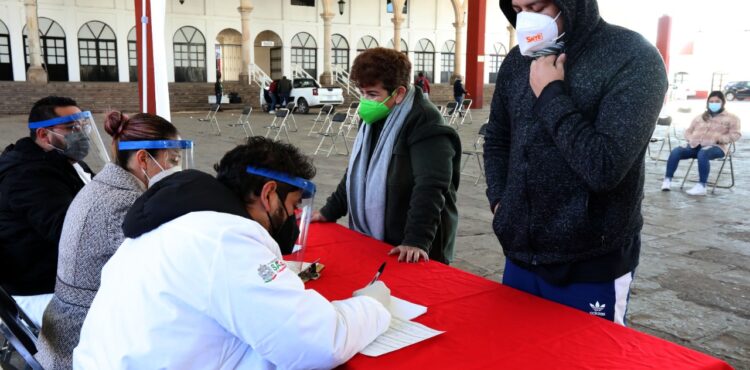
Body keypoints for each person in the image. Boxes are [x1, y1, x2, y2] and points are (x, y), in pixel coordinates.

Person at [73, 137, 391, 369]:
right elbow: (318, 343)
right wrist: (372, 306)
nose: (293, 218)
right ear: (269, 194)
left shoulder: (180, 217)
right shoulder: (226, 239)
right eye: (293, 206)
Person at [484, 0, 668, 325]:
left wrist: (551, 94)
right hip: (520, 254)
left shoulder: (633, 57)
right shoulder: (517, 62)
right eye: (518, 8)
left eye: (537, 6)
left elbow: (604, 166)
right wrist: (500, 202)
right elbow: (498, 138)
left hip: (591, 262)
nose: (526, 19)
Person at [36, 112, 185, 369]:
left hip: (66, 326)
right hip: (82, 341)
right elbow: (159, 277)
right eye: (172, 160)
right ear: (143, 159)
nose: (177, 169)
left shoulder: (107, 185)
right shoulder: (126, 204)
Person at [313, 47, 461, 264]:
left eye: (373, 94)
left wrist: (416, 240)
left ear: (399, 93)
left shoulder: (426, 122)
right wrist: (329, 211)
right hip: (377, 238)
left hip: (411, 244)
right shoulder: (375, 115)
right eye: (362, 93)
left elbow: (431, 185)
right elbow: (357, 171)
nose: (365, 101)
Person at [0, 96, 108, 327]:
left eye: (82, 126)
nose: (80, 133)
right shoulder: (27, 176)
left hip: (68, 275)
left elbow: (103, 199)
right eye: (71, 128)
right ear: (42, 134)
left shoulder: (65, 161)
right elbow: (71, 233)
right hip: (40, 288)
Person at [661, 91, 741, 196]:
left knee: (703, 153)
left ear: (723, 102)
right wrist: (690, 139)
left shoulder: (732, 118)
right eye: (711, 101)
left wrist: (719, 139)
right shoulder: (700, 117)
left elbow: (736, 134)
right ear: (707, 103)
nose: (714, 103)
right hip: (695, 145)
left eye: (717, 101)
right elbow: (688, 131)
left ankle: (702, 186)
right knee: (676, 151)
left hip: (716, 147)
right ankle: (667, 180)